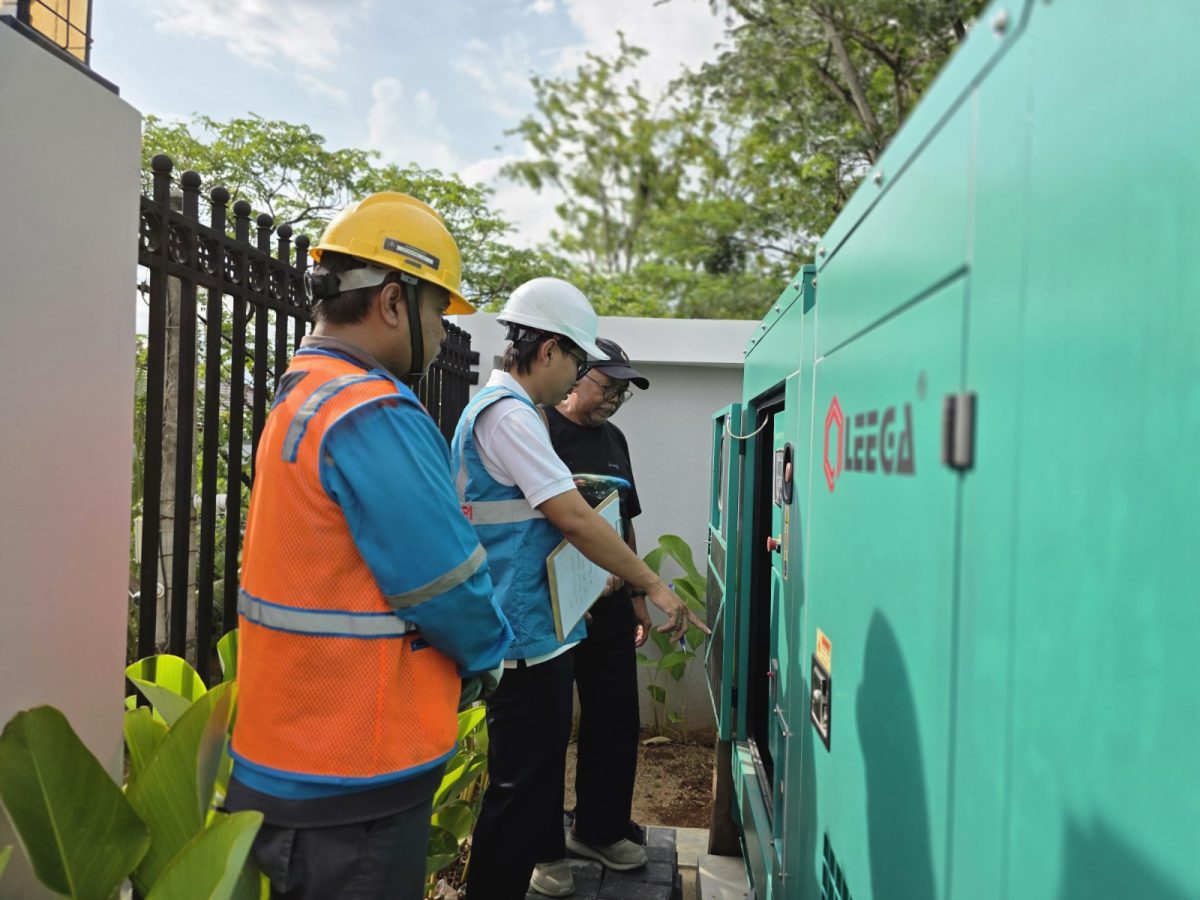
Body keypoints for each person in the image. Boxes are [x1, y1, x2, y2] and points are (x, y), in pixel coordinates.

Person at [225, 192, 513, 900]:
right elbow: (447, 584)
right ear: (391, 300)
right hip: (353, 776)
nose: (441, 334)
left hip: (292, 759)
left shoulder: (304, 392)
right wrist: (489, 657)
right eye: (437, 312)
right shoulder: (371, 409)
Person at [452, 278, 708, 900]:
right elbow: (572, 516)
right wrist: (653, 585)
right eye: (576, 361)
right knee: (519, 793)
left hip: (533, 626)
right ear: (548, 350)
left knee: (524, 783)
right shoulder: (510, 416)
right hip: (523, 632)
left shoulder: (503, 411)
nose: (576, 377)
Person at [543, 337, 654, 868]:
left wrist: (637, 593)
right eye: (607, 387)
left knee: (614, 718)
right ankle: (542, 847)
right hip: (553, 607)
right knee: (545, 729)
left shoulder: (615, 440)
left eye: (621, 393)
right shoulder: (538, 428)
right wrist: (565, 584)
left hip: (608, 607)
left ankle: (599, 829)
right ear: (577, 374)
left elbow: (624, 521)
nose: (613, 400)